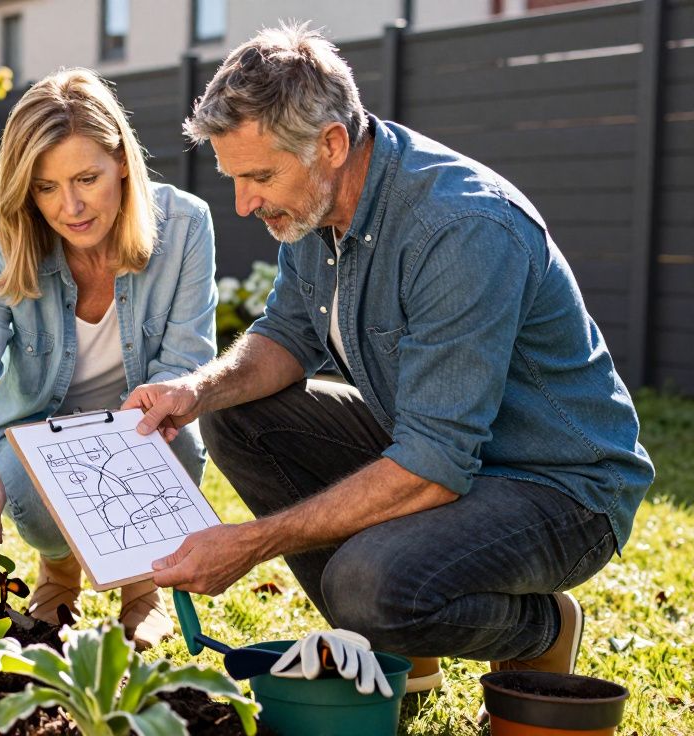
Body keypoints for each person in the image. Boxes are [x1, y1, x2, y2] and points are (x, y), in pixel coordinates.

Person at [127, 23, 654, 693]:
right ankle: (406, 659)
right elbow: (287, 336)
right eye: (236, 178)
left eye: (258, 176)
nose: (244, 202)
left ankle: (539, 628)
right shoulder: (316, 204)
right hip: (445, 447)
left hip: (559, 488)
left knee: (366, 584)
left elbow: (433, 467)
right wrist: (196, 392)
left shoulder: (461, 228)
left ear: (332, 143)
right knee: (237, 415)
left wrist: (251, 542)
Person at [0, 68, 219, 648]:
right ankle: (60, 567)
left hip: (143, 427)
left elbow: (184, 365)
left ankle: (142, 587)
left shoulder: (184, 225)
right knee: (17, 480)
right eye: (46, 187)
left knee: (179, 444)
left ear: (123, 162)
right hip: (39, 434)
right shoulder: (2, 247)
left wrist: (138, 426)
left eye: (87, 178)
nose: (72, 206)